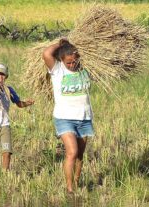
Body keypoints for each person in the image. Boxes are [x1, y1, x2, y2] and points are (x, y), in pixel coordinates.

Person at [42, 39, 94, 193]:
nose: (72, 65)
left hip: (84, 118)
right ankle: (69, 188)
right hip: (64, 118)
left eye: (74, 62)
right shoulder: (58, 70)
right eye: (69, 62)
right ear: (62, 60)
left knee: (80, 155)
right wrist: (61, 44)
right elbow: (46, 54)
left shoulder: (85, 70)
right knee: (72, 152)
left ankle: (77, 182)